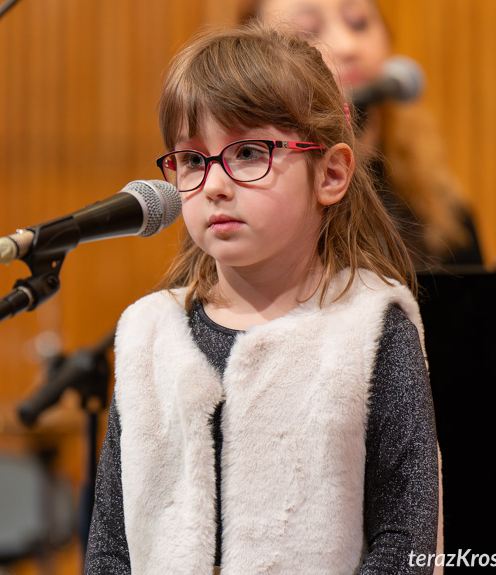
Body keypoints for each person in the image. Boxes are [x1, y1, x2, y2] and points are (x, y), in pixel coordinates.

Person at [84, 24, 441, 574]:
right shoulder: (149, 333)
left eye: (249, 152)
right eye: (192, 160)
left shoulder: (372, 327)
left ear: (331, 173)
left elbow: (407, 536)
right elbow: (112, 543)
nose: (215, 185)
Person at [240, 0, 483, 269]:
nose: (347, 46)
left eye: (359, 22)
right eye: (307, 32)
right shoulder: (235, 207)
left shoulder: (441, 210)